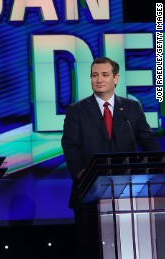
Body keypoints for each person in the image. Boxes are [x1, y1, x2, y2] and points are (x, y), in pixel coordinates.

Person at [61, 57, 160, 259]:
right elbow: (70, 145)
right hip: (90, 194)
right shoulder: (77, 110)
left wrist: (158, 165)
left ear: (116, 78)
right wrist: (81, 174)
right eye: (94, 75)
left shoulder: (132, 108)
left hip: (129, 194)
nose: (99, 80)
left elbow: (147, 140)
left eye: (104, 75)